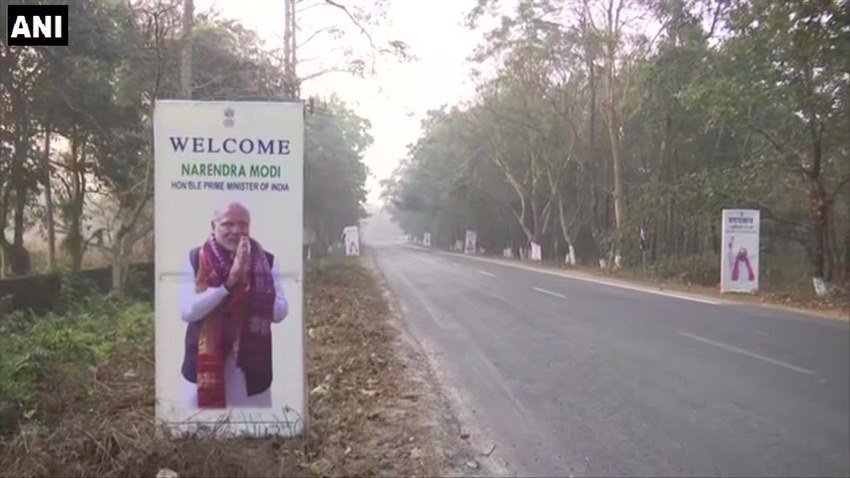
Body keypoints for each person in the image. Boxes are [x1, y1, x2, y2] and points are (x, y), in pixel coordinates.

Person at [179, 202, 288, 409]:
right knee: (202, 433)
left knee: (251, 435)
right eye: (228, 224)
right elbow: (187, 311)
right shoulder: (195, 258)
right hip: (202, 369)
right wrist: (228, 285)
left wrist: (250, 285)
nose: (236, 230)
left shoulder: (267, 261)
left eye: (243, 224)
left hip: (251, 370)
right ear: (213, 226)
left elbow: (280, 312)